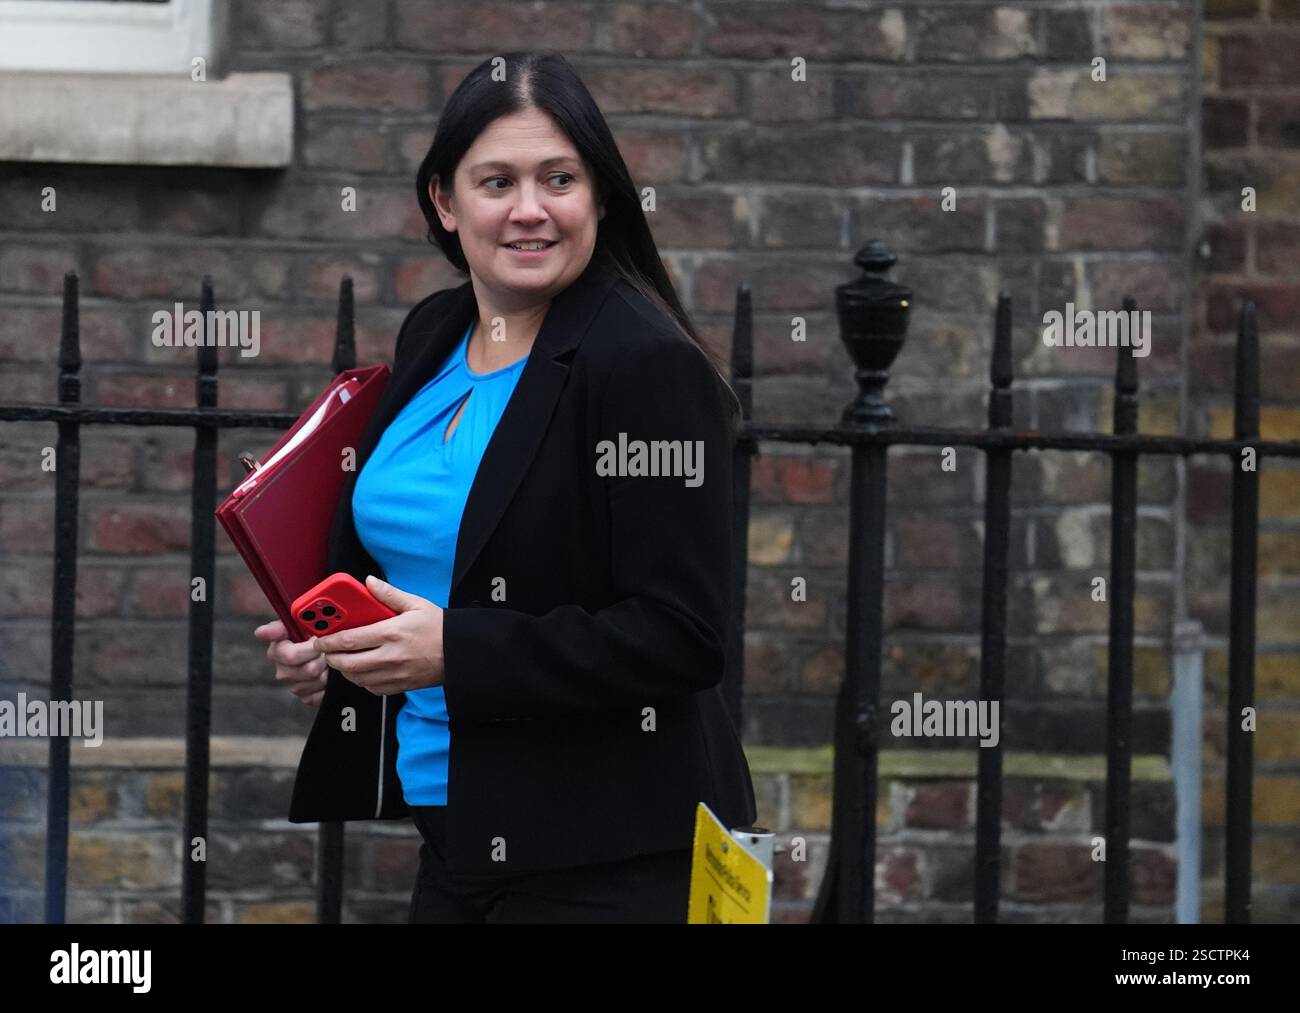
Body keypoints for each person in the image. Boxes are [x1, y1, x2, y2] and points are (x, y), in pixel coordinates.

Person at [254, 50, 756, 924]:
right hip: (457, 828)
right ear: (445, 203)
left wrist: (456, 652)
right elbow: (430, 568)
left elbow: (684, 635)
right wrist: (340, 649)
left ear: (599, 194)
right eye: (497, 182)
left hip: (609, 855)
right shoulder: (434, 333)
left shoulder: (643, 365)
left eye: (558, 178)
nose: (530, 210)